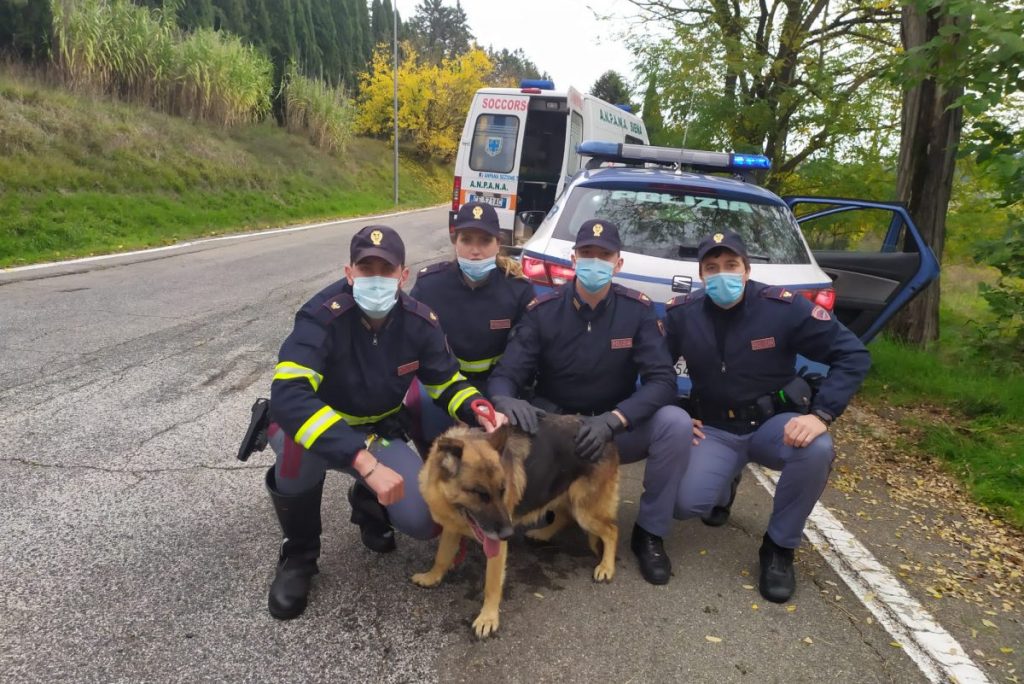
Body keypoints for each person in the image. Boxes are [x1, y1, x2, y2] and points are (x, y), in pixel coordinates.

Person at [264, 225, 503, 620]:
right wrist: (364, 463)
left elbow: (446, 381)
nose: (376, 278)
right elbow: (289, 396)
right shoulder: (320, 317)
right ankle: (299, 556)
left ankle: (368, 503)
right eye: (365, 268)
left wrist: (478, 407)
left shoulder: (420, 322)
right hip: (319, 431)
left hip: (374, 431)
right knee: (296, 447)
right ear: (349, 272)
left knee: (427, 519)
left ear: (403, 276)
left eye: (386, 269)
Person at [664, 230, 870, 603]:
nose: (722, 274)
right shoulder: (683, 314)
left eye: (731, 265)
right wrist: (676, 410)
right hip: (715, 427)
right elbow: (657, 369)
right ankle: (725, 483)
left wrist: (821, 414)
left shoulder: (783, 308)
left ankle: (778, 549)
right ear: (701, 274)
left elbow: (852, 355)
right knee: (681, 504)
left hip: (774, 425)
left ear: (746, 269)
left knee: (816, 449)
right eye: (712, 267)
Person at [487, 219, 693, 585]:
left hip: (613, 426)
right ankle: (545, 510)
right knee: (508, 425)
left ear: (618, 264)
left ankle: (650, 534)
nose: (594, 261)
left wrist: (615, 419)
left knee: (674, 424)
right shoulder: (543, 310)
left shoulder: (638, 310)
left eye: (604, 255)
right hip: (556, 429)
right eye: (587, 254)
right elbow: (507, 372)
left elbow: (663, 380)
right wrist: (504, 399)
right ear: (573, 258)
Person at [407, 201, 534, 446]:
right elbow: (410, 344)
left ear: (499, 243)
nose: (475, 251)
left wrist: (503, 397)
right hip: (441, 384)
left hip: (496, 384)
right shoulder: (429, 286)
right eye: (466, 240)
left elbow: (522, 354)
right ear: (455, 242)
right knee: (428, 428)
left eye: (485, 241)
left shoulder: (519, 290)